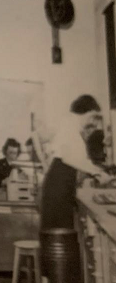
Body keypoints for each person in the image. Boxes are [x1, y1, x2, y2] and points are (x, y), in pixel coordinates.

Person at [41, 94, 114, 230]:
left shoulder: (71, 125)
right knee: (59, 236)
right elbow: (68, 158)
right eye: (92, 116)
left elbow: (77, 159)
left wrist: (97, 172)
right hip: (59, 186)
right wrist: (97, 172)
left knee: (60, 235)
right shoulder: (69, 125)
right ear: (86, 111)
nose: (92, 122)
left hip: (60, 183)